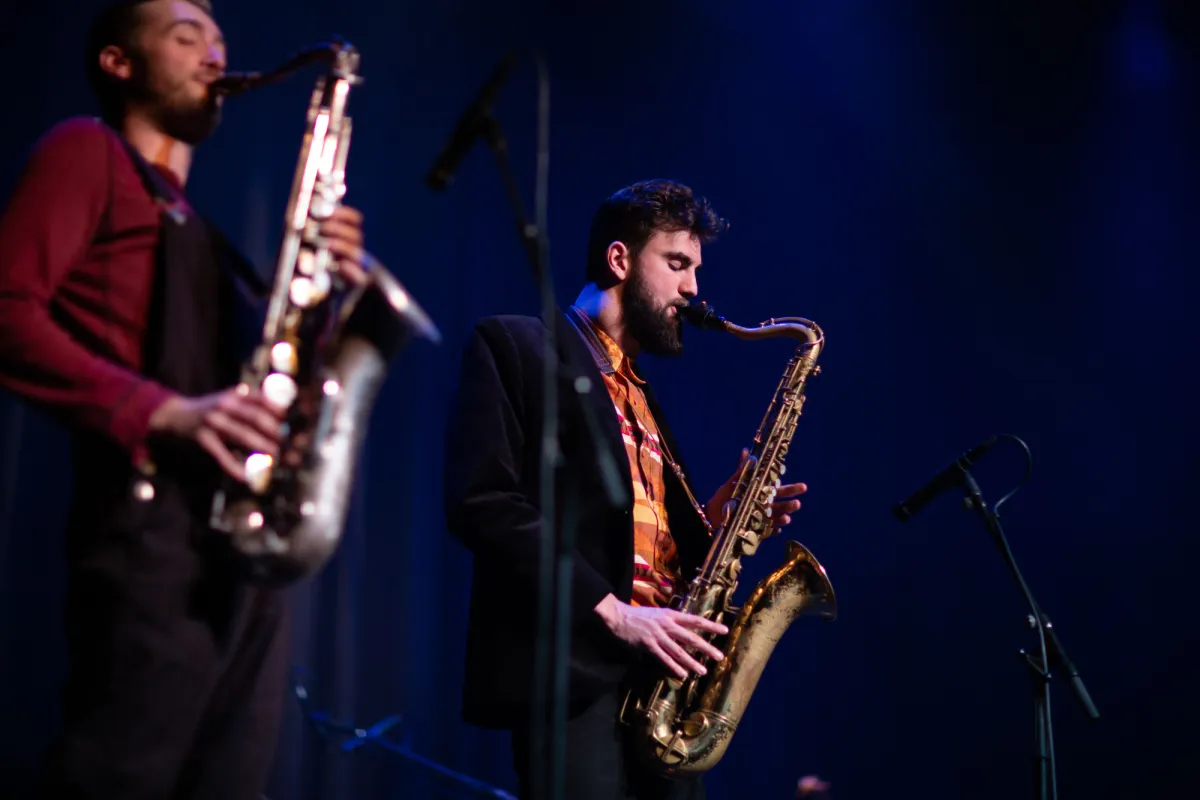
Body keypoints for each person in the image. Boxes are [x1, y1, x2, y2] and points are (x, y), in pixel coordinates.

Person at [0, 2, 372, 797]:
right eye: (184, 34)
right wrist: (161, 412)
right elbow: (8, 313)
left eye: (218, 39)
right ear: (118, 62)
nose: (214, 53)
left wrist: (329, 296)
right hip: (150, 541)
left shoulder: (202, 231)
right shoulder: (84, 152)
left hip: (238, 547)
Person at [443, 179, 811, 800]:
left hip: (661, 691)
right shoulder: (516, 345)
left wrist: (717, 519)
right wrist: (615, 612)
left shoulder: (641, 396)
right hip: (573, 678)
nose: (693, 287)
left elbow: (639, 535)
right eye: (676, 264)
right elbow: (482, 503)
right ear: (619, 260)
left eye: (694, 268)